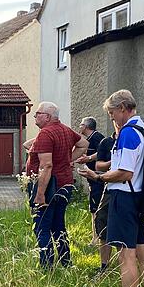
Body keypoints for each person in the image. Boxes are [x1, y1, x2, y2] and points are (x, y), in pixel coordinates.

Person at [78, 90, 144, 287]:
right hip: (140, 195)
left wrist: (98, 176)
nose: (111, 118)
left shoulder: (128, 132)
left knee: (126, 254)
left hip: (124, 196)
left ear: (123, 107)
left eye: (112, 113)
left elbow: (124, 172)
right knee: (142, 249)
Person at [27, 102, 89, 268]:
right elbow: (84, 144)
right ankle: (66, 261)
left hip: (49, 187)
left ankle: (47, 265)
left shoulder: (46, 134)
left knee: (42, 226)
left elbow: (46, 166)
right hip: (65, 184)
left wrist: (40, 194)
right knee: (58, 225)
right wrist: (69, 159)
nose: (35, 116)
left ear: (47, 116)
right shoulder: (65, 129)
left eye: (37, 113)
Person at [92, 122, 117, 276]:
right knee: (102, 222)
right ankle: (104, 265)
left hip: (129, 189)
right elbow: (98, 165)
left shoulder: (131, 138)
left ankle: (129, 263)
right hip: (109, 187)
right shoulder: (106, 142)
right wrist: (112, 162)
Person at [75, 117, 105, 245]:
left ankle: (97, 238)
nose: (79, 127)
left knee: (96, 208)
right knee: (93, 208)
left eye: (81, 124)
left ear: (86, 126)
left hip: (98, 178)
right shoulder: (89, 139)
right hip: (92, 178)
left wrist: (88, 158)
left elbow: (102, 152)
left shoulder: (97, 137)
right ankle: (96, 235)